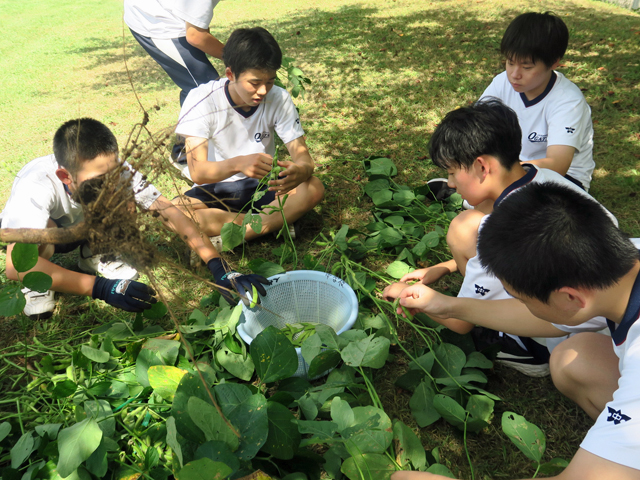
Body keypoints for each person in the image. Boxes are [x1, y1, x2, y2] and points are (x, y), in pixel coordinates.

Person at [390, 182, 640, 480]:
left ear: (569, 298)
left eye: (521, 298)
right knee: (575, 360)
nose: (521, 304)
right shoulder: (622, 264)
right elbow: (550, 318)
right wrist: (449, 306)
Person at [383, 100, 615, 376]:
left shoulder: (501, 231)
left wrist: (408, 297)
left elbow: (460, 323)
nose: (451, 184)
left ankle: (525, 346)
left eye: (451, 172)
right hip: (604, 299)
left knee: (465, 231)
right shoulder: (544, 177)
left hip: (570, 328)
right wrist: (442, 268)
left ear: (482, 166)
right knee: (465, 224)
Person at [0, 118, 268, 319]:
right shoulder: (35, 185)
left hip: (86, 227)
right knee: (38, 241)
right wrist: (100, 288)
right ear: (65, 177)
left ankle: (95, 253)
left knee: (125, 202)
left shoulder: (119, 170)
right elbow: (14, 265)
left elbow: (168, 212)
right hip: (52, 233)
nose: (109, 184)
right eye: (98, 180)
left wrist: (219, 266)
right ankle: (39, 282)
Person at [172, 27, 324, 243]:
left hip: (263, 187)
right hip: (216, 188)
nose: (263, 91)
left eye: (270, 82)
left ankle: (231, 236)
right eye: (254, 83)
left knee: (314, 187)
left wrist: (301, 170)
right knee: (172, 212)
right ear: (230, 74)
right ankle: (271, 224)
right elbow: (198, 172)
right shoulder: (202, 99)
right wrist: (238, 164)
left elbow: (304, 158)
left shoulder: (278, 98)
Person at [124, 0, 224, 160]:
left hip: (160, 14)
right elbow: (196, 36)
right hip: (154, 23)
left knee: (199, 86)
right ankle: (183, 151)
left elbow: (198, 23)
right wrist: (235, 57)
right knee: (206, 89)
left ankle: (190, 146)